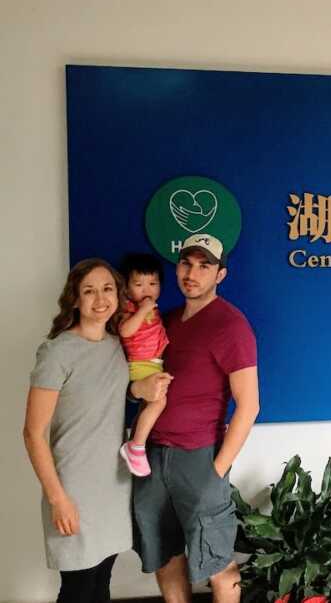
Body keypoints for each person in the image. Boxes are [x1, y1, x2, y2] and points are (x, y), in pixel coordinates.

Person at [22, 258, 170, 603]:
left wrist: (140, 390)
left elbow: (112, 392)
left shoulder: (118, 345)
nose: (100, 298)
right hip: (73, 488)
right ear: (74, 298)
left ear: (119, 296)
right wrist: (58, 498)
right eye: (89, 291)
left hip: (113, 486)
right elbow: (32, 433)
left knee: (101, 583)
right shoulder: (57, 352)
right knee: (78, 588)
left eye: (107, 289)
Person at [130, 233, 259, 603]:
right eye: (187, 263)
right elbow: (136, 380)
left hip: (200, 457)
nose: (193, 273)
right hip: (151, 457)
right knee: (164, 555)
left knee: (219, 563)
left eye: (205, 266)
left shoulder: (230, 326)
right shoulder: (162, 321)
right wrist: (139, 391)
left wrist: (217, 469)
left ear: (220, 275)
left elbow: (248, 405)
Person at [118, 253, 170, 477]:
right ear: (127, 289)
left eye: (152, 283)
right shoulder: (129, 308)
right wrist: (142, 311)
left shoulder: (153, 309)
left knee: (147, 406)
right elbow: (125, 331)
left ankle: (135, 442)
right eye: (138, 284)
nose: (146, 289)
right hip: (141, 364)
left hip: (152, 363)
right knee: (159, 401)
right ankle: (136, 447)